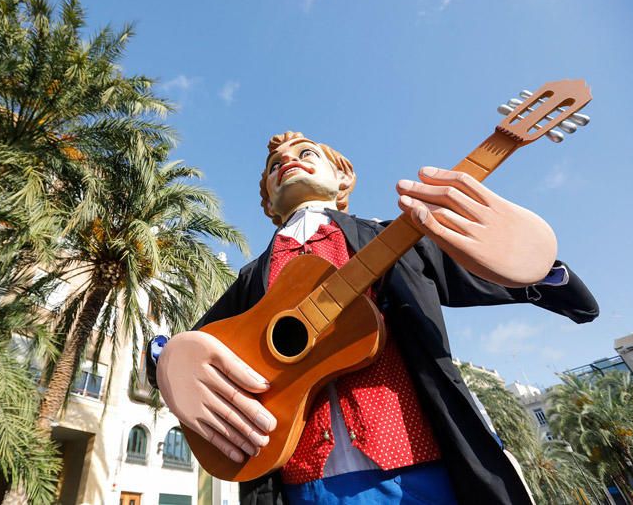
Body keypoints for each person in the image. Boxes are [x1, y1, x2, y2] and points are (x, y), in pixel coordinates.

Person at [145, 131, 598, 505]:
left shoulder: (396, 239)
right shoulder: (252, 278)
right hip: (302, 483)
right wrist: (167, 359)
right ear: (267, 198)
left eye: (306, 153)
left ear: (343, 178)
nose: (287, 162)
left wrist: (540, 267)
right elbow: (195, 347)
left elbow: (501, 275)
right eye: (273, 166)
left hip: (420, 470)